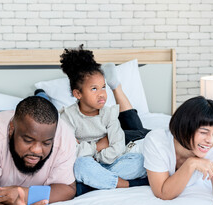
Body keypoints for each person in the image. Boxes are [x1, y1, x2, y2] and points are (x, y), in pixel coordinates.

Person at [55, 45, 149, 195]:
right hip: (88, 164)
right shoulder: (67, 117)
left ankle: (95, 183)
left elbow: (117, 148)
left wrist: (94, 156)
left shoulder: (109, 113)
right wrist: (99, 145)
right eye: (94, 89)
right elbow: (72, 152)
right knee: (80, 165)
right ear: (78, 94)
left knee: (140, 161)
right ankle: (124, 184)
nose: (102, 94)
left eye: (103, 87)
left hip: (111, 163)